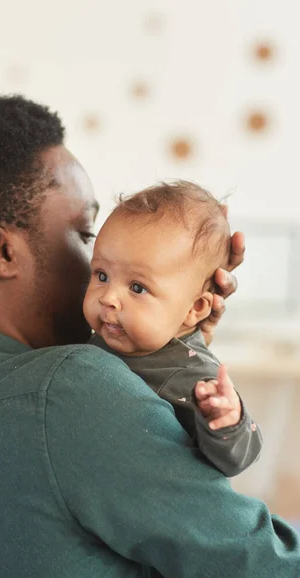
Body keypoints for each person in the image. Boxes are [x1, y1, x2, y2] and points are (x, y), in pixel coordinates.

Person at [0, 95, 300, 578]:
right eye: (86, 235)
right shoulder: (71, 391)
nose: (109, 291)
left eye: (137, 284)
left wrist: (167, 358)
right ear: (2, 250)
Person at [84, 181, 263, 478]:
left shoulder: (192, 377)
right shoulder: (102, 338)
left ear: (195, 309)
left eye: (137, 287)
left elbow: (240, 458)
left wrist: (227, 421)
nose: (107, 298)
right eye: (102, 275)